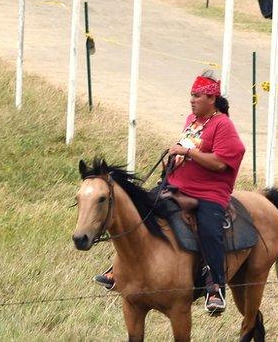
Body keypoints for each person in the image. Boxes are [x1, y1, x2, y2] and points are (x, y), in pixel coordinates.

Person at [95, 70, 245, 315]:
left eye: (197, 96)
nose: (192, 100)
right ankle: (118, 268)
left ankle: (214, 287)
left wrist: (188, 154)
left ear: (211, 99)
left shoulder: (223, 125)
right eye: (191, 95)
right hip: (176, 184)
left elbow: (220, 163)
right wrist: (173, 160)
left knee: (209, 230)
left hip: (208, 193)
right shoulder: (191, 120)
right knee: (139, 213)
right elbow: (186, 147)